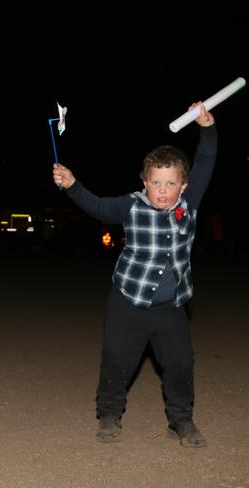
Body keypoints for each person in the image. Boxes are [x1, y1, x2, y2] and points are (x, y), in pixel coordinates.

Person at [52, 103, 216, 448]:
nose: (162, 189)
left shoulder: (191, 205)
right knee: (116, 360)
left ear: (183, 185)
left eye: (170, 183)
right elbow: (96, 205)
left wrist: (207, 127)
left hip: (170, 306)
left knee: (180, 364)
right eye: (155, 182)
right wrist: (72, 185)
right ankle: (110, 415)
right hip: (128, 301)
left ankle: (182, 422)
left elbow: (206, 161)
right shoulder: (131, 205)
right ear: (144, 182)